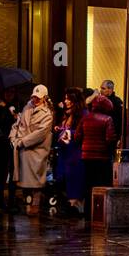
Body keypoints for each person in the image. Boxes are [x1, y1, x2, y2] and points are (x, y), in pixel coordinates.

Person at [10, 85, 53, 216]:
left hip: (36, 150)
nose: (35, 100)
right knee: (24, 178)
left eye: (38, 98)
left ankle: (36, 203)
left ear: (44, 98)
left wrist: (23, 141)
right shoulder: (27, 107)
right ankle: (26, 202)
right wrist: (13, 137)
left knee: (36, 178)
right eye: (33, 97)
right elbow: (18, 123)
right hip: (23, 148)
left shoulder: (47, 114)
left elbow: (40, 133)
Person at [78, 93, 118, 215]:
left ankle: (87, 212)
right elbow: (110, 139)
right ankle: (100, 212)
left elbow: (77, 136)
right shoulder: (107, 119)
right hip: (102, 157)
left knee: (88, 184)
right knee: (102, 185)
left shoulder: (85, 118)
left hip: (86, 157)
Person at [54, 88, 85, 217]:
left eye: (68, 99)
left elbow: (80, 134)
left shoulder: (82, 115)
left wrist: (67, 133)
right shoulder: (67, 114)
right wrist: (60, 129)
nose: (65, 101)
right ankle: (70, 205)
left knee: (74, 179)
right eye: (65, 98)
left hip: (74, 153)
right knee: (64, 178)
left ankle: (75, 206)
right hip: (65, 153)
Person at [99, 80, 124, 148]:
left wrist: (120, 137)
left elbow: (121, 120)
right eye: (101, 88)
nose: (101, 90)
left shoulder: (117, 102)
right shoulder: (100, 101)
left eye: (103, 88)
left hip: (113, 135)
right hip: (103, 135)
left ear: (110, 90)